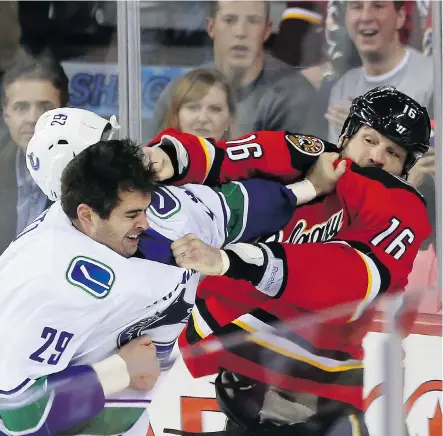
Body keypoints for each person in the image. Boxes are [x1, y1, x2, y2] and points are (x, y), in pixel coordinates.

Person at [0, 107, 342, 436]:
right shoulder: (39, 281)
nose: (145, 223)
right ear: (86, 213)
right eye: (132, 214)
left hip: (139, 416)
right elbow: (17, 413)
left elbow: (235, 209)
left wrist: (311, 187)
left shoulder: (158, 209)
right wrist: (118, 371)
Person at [145, 86, 432, 435]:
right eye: (369, 139)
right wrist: (172, 157)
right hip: (232, 367)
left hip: (318, 391)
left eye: (393, 152)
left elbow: (350, 280)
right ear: (346, 134)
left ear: (405, 168)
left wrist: (237, 262)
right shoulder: (306, 153)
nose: (376, 156)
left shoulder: (402, 206)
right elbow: (230, 158)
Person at [151, 0, 316, 138]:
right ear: (210, 27)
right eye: (229, 20)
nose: (240, 32)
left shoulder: (294, 95)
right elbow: (151, 167)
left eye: (253, 21)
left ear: (266, 30)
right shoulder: (180, 90)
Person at [326, 0, 433, 143]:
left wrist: (362, 129)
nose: (365, 17)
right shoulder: (343, 88)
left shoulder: (433, 79)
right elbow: (337, 162)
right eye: (357, 6)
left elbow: (431, 162)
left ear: (400, 17)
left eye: (378, 6)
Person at [0, 51, 69, 253]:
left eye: (44, 108)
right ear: (5, 114)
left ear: (65, 111)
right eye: (21, 108)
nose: (32, 118)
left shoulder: (88, 172)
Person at [162, 68, 236, 141]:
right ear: (176, 114)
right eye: (193, 108)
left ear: (229, 119)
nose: (203, 119)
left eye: (215, 109)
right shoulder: (155, 152)